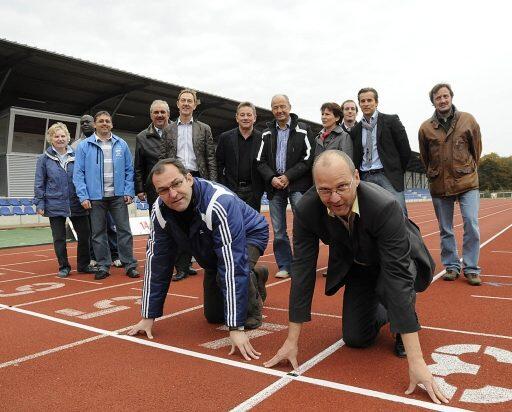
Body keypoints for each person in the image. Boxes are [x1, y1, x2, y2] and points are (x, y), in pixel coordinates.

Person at [264, 150, 448, 405]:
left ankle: (402, 323)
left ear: (357, 177)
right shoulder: (307, 209)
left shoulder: (384, 206)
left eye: (342, 187)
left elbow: (397, 276)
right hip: (359, 265)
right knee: (355, 339)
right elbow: (303, 270)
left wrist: (417, 362)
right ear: (315, 187)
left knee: (391, 289)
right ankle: (387, 311)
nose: (335, 198)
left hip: (399, 262)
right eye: (325, 190)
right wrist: (291, 341)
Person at [127, 158, 269, 360]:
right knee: (214, 316)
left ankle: (251, 285)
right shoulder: (159, 211)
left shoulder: (219, 202)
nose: (172, 194)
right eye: (163, 190)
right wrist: (148, 316)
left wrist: (236, 327)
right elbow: (157, 261)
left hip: (249, 234)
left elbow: (232, 264)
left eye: (176, 184)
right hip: (208, 243)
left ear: (189, 179)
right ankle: (256, 273)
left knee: (235, 292)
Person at [418, 83, 483, 286]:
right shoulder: (425, 128)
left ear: (451, 97)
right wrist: (434, 173)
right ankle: (452, 266)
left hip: (467, 181)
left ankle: (471, 268)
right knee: (445, 228)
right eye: (438, 98)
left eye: (445, 96)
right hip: (439, 184)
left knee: (471, 223)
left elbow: (476, 149)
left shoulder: (468, 120)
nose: (442, 100)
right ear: (433, 102)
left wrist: (467, 168)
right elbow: (425, 157)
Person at [73, 111, 139, 280]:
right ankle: (103, 265)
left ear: (111, 124)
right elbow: (78, 173)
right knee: (98, 233)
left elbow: (129, 170)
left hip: (118, 196)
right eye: (101, 121)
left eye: (107, 121)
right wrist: (83, 196)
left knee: (124, 231)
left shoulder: (121, 144)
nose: (104, 123)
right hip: (95, 197)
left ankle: (129, 264)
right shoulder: (84, 146)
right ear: (95, 124)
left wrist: (128, 191)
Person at [160, 89, 217, 281]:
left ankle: (210, 262)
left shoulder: (204, 128)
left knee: (204, 221)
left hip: (198, 178)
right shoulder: (168, 129)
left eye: (189, 101)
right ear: (177, 104)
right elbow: (163, 157)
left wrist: (212, 182)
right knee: (179, 223)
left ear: (195, 104)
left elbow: (210, 157)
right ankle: (182, 267)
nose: (186, 104)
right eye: (183, 100)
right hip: (176, 180)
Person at [256, 94, 314, 279]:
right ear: (271, 109)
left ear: (289, 107)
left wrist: (289, 176)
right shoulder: (266, 133)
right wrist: (272, 178)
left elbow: (308, 158)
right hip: (275, 188)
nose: (279, 110)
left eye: (282, 106)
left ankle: (303, 264)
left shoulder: (304, 129)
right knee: (279, 230)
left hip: (297, 185)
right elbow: (260, 161)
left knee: (303, 226)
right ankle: (285, 265)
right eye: (275, 107)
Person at [33, 122, 95, 278]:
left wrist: (87, 196)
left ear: (68, 138)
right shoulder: (43, 159)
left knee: (85, 235)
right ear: (50, 139)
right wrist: (40, 202)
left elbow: (85, 178)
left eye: (63, 136)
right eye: (56, 136)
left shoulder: (78, 155)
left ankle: (83, 265)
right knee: (59, 238)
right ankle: (64, 266)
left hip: (77, 202)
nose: (60, 139)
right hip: (54, 203)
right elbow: (39, 182)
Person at [351, 88, 411, 214]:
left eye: (369, 100)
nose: (366, 104)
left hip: (387, 175)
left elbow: (405, 149)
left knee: (399, 213)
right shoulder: (356, 130)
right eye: (363, 101)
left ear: (376, 102)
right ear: (359, 104)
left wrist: (396, 171)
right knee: (370, 215)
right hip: (365, 177)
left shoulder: (391, 121)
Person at [72, 114, 121, 268]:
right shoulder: (76, 146)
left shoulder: (113, 142)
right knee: (94, 229)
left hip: (108, 193)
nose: (85, 124)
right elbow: (77, 172)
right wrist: (82, 194)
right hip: (88, 195)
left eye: (88, 121)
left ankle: (115, 254)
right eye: (82, 123)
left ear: (93, 123)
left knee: (110, 226)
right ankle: (94, 256)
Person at [216, 101, 264, 212]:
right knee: (233, 221)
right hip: (231, 190)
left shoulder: (263, 139)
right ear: (237, 118)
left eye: (249, 115)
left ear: (254, 118)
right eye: (242, 115)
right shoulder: (225, 137)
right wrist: (224, 187)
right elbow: (219, 164)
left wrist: (259, 190)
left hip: (253, 192)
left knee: (252, 222)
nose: (245, 118)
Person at [135, 100, 170, 208]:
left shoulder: (179, 132)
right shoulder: (141, 137)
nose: (159, 115)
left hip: (176, 184)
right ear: (151, 115)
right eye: (156, 112)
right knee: (157, 215)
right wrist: (140, 189)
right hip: (154, 188)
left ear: (168, 114)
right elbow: (139, 166)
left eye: (162, 112)